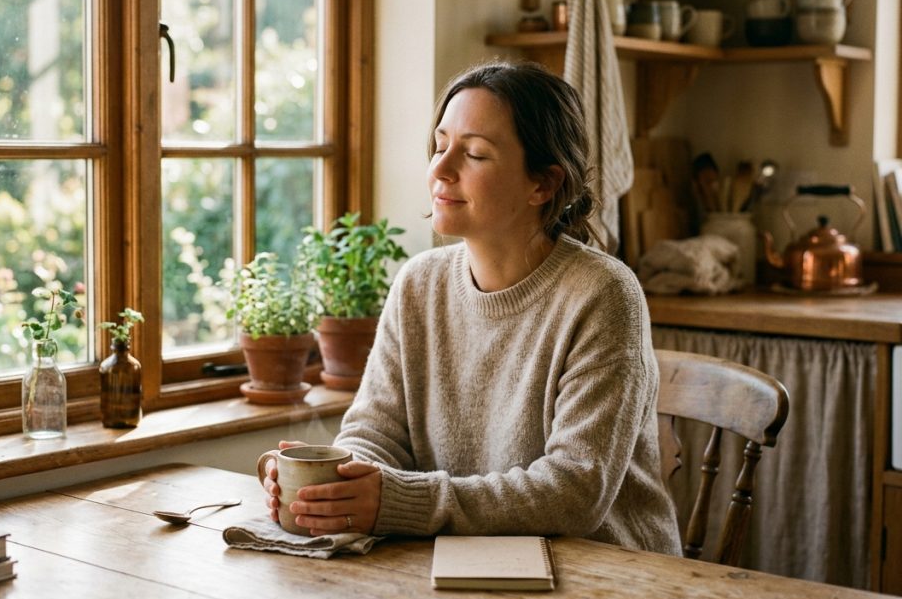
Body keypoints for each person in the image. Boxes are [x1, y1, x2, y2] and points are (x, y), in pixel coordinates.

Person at [261, 60, 682, 555]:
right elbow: (375, 431)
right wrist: (336, 483)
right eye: (440, 146)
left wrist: (397, 500)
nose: (439, 169)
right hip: (466, 562)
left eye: (475, 154)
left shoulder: (604, 294)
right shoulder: (418, 284)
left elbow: (575, 491)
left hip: (607, 578)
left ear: (542, 185)